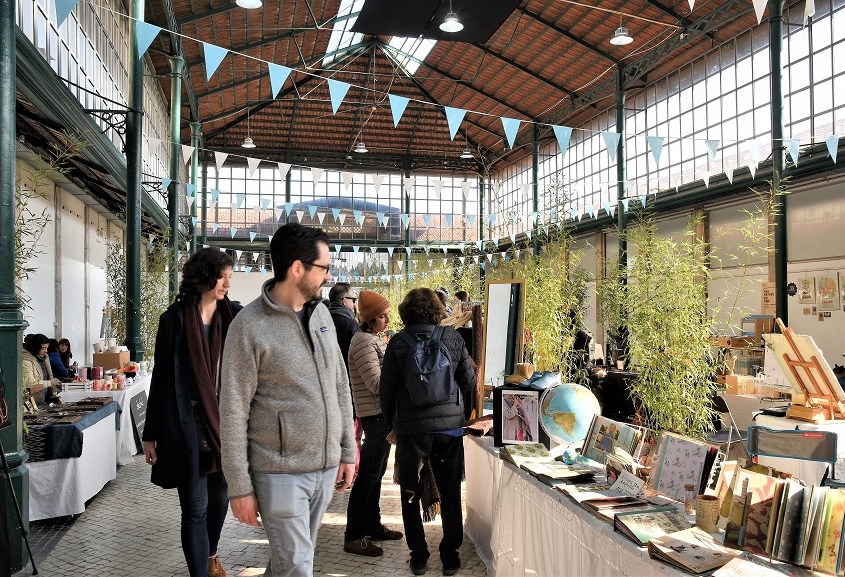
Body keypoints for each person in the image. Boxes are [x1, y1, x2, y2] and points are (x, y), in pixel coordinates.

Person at [219, 223, 356, 577]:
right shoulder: (248, 326)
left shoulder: (322, 314)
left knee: (287, 562)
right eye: (324, 267)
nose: (328, 275)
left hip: (324, 469)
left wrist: (346, 451)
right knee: (298, 566)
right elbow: (232, 410)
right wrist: (239, 487)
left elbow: (339, 383)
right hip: (278, 473)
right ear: (298, 268)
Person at [142, 247, 238, 577]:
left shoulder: (233, 316)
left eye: (229, 276)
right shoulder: (174, 319)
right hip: (186, 424)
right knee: (195, 507)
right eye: (222, 276)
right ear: (204, 277)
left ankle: (210, 554)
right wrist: (150, 434)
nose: (228, 282)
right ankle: (200, 571)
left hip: (225, 424)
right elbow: (162, 378)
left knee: (221, 499)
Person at [380, 287, 476, 576]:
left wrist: (393, 424)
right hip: (448, 428)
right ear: (437, 310)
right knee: (449, 491)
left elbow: (386, 392)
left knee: (411, 492)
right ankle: (450, 557)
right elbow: (469, 382)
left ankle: (419, 556)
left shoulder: (397, 342)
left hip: (411, 430)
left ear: (406, 312)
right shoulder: (452, 337)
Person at [343, 290, 403, 557]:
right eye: (381, 316)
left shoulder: (371, 339)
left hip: (380, 415)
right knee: (367, 477)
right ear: (369, 320)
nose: (387, 319)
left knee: (375, 475)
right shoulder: (365, 342)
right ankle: (354, 536)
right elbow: (376, 384)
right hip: (375, 415)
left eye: (387, 313)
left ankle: (372, 525)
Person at [328, 282, 363, 477]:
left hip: (325, 389)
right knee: (352, 434)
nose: (354, 304)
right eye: (353, 299)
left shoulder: (320, 320)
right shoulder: (350, 325)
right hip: (348, 388)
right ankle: (351, 471)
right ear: (343, 301)